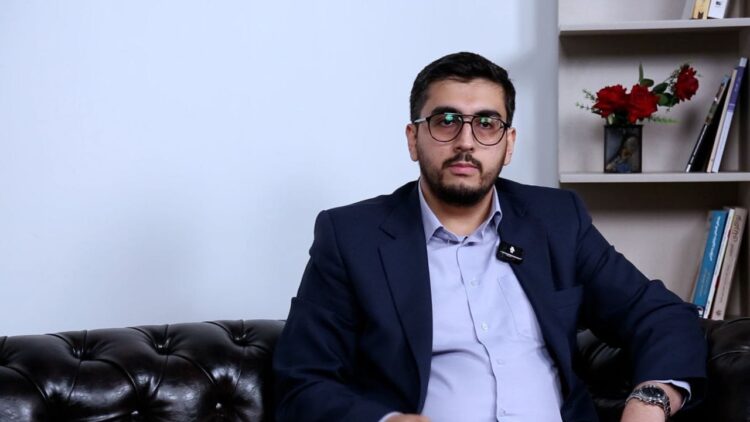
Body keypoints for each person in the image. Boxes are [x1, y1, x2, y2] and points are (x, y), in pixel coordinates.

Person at [273, 52, 706, 422]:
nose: (466, 141)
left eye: (486, 123)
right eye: (445, 121)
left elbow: (661, 315)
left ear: (509, 143)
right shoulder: (352, 238)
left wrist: (651, 398)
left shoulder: (556, 221)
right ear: (413, 138)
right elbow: (302, 382)